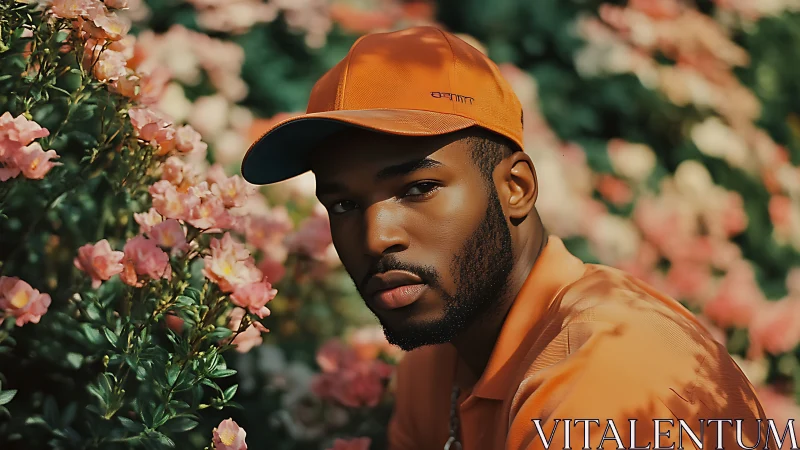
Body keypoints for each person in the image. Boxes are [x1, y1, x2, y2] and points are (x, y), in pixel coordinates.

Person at [241, 26, 778, 450]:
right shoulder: (435, 369)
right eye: (343, 204)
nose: (376, 237)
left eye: (418, 187)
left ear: (515, 188)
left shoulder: (606, 377)